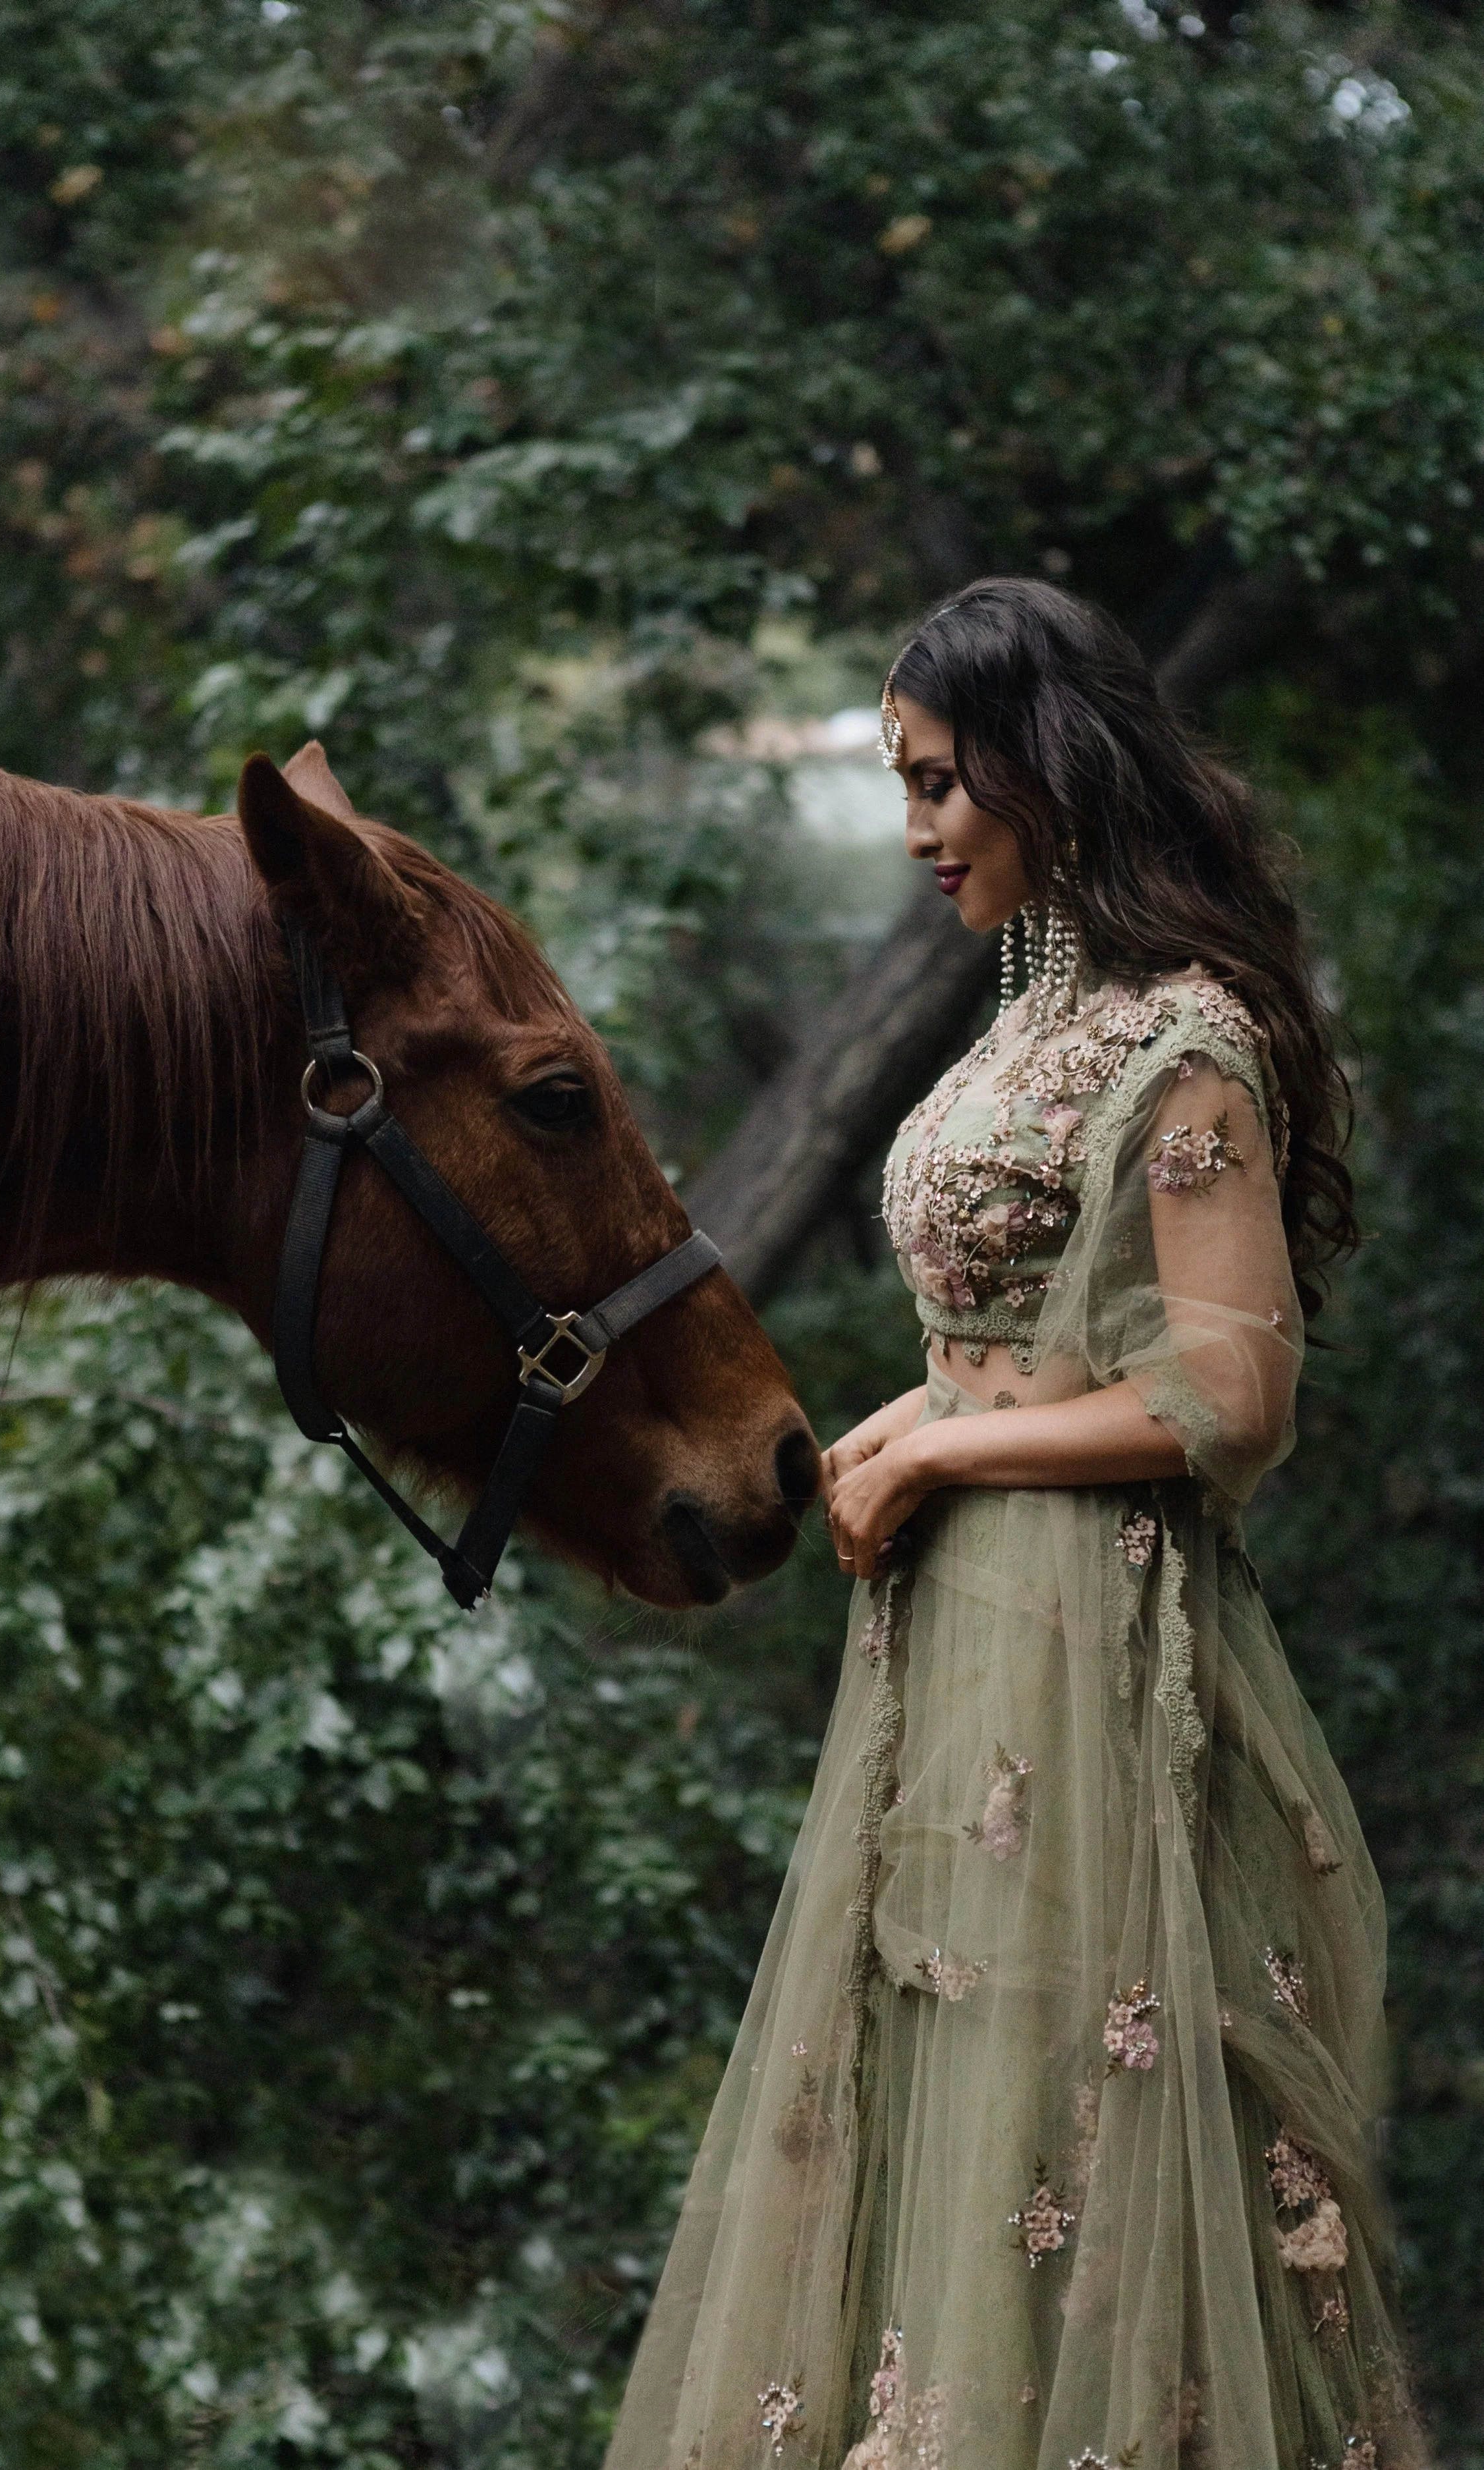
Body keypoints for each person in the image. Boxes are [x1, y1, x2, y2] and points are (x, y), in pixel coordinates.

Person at [604, 580, 1425, 2470]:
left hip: (1090, 1636)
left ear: (1041, 761)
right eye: (898, 784)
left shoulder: (1186, 1036)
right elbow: (1000, 1340)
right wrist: (907, 1421)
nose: (914, 830)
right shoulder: (1022, 1012)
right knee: (956, 2071)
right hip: (961, 1638)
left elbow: (1230, 1400)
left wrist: (947, 1457)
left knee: (1088, 2092)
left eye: (938, 781)